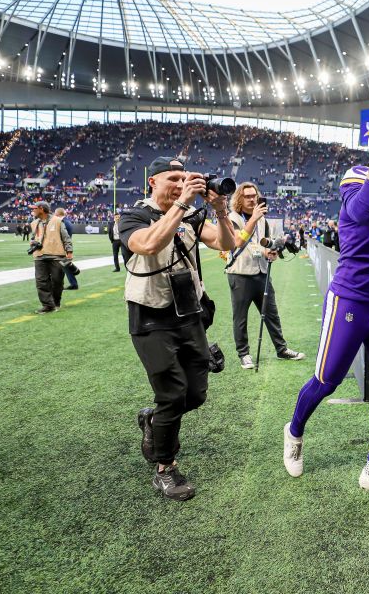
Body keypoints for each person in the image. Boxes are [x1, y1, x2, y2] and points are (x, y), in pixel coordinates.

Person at [284, 124, 369, 510]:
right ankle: (294, 432)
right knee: (326, 381)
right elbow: (362, 212)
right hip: (349, 301)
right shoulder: (357, 176)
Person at [120, 156, 238, 501]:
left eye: (186, 177)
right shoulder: (135, 215)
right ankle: (165, 468)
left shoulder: (188, 216)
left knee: (196, 394)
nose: (182, 182)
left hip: (189, 313)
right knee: (172, 394)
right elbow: (148, 244)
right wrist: (184, 202)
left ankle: (154, 421)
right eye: (173, 177)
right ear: (152, 182)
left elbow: (226, 244)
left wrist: (218, 208)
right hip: (152, 317)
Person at [225, 182, 304, 369]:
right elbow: (237, 242)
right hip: (240, 273)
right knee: (240, 317)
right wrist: (262, 250)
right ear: (239, 199)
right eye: (247, 196)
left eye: (254, 195)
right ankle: (244, 354)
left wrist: (272, 251)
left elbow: (264, 243)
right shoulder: (232, 218)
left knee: (271, 313)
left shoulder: (262, 219)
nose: (252, 199)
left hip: (261, 271)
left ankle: (281, 348)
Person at [29, 202, 73, 314]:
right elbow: (34, 237)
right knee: (41, 281)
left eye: (35, 208)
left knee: (57, 281)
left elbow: (66, 237)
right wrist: (32, 242)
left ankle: (56, 302)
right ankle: (48, 305)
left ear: (42, 209)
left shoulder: (57, 221)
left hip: (56, 255)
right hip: (39, 255)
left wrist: (69, 251)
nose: (33, 211)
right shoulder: (34, 223)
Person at [55, 207, 79, 290]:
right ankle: (73, 283)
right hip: (65, 246)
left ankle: (74, 275)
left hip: (63, 247)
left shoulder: (63, 222)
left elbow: (63, 236)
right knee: (64, 266)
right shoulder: (67, 221)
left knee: (62, 266)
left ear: (57, 214)